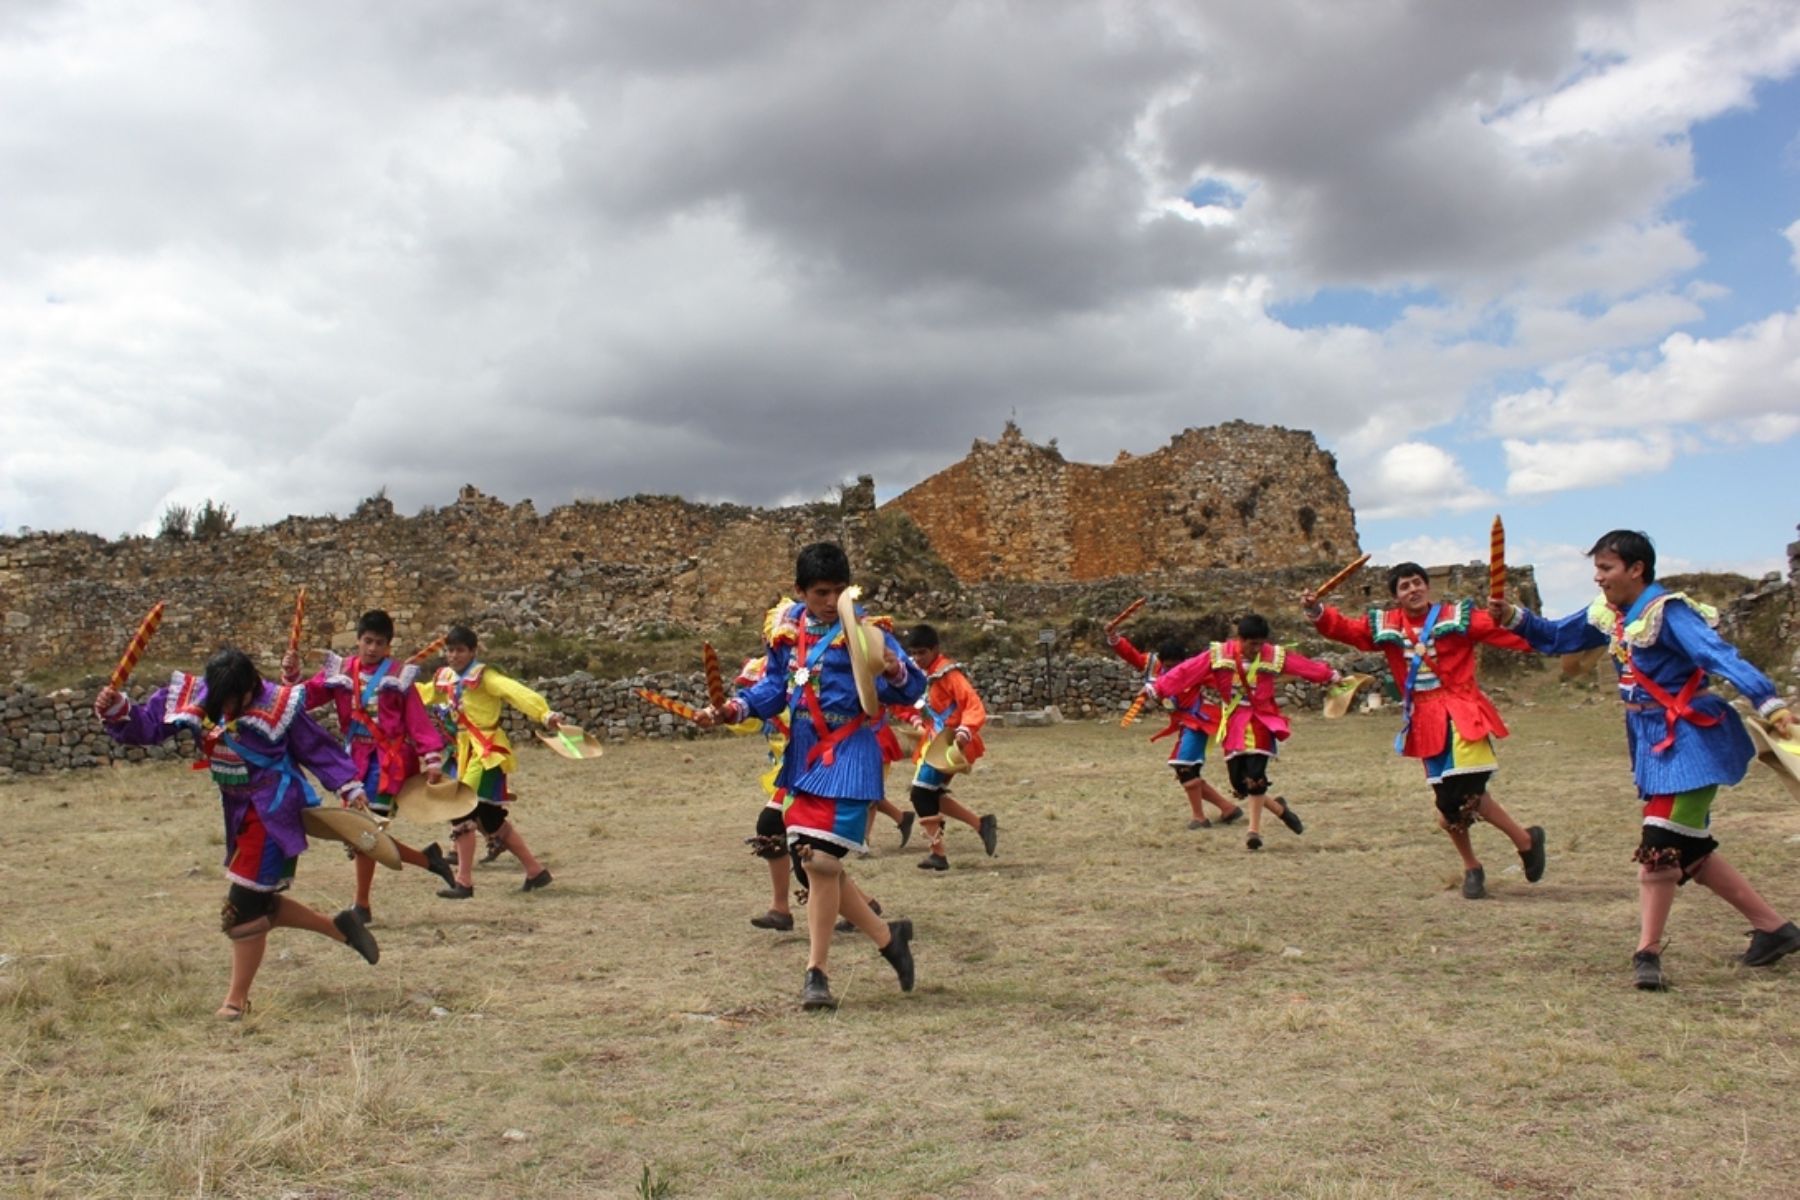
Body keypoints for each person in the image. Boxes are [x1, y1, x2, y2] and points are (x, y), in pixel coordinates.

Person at [1494, 530, 1798, 989]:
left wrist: (1767, 700)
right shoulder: (1609, 614)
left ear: (1636, 569)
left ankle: (1647, 953)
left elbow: (1716, 654)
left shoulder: (1668, 612)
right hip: (1650, 739)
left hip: (1692, 738)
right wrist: (1514, 617)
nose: (1598, 578)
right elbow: (1557, 637)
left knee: (1659, 844)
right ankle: (1776, 930)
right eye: (1596, 569)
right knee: (1690, 849)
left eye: (1606, 569)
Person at [698, 542, 926, 1011]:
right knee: (816, 862)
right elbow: (773, 689)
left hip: (849, 754)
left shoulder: (867, 632)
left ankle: (816, 974)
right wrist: (733, 709)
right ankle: (888, 939)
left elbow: (914, 687)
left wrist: (895, 669)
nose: (830, 600)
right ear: (800, 591)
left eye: (839, 591)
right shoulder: (787, 632)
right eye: (821, 592)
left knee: (819, 862)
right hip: (803, 757)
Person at [95, 648, 380, 1019]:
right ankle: (340, 928)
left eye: (234, 699)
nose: (227, 706)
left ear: (250, 688)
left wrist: (349, 787)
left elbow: (317, 749)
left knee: (240, 909)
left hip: (274, 809)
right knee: (258, 901)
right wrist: (119, 708)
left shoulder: (279, 705)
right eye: (221, 699)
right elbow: (148, 726)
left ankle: (236, 1000)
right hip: (237, 811)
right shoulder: (199, 697)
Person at [1304, 562, 1546, 898]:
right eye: (1404, 586)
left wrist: (1549, 637)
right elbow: (1348, 630)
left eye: (1417, 582)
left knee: (1468, 793)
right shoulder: (1385, 626)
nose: (1413, 590)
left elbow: (1500, 630)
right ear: (1395, 596)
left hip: (1462, 712)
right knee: (1448, 804)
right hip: (1425, 722)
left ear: (1427, 586)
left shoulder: (1457, 616)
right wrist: (1318, 611)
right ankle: (1479, 863)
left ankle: (1524, 841)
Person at [284, 609, 455, 919]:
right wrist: (292, 675)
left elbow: (417, 720)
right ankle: (428, 860)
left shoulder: (398, 676)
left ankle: (362, 906)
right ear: (358, 641)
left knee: (365, 832)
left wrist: (432, 759)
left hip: (388, 762)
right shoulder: (341, 672)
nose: (372, 648)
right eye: (367, 641)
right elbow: (304, 698)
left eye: (379, 642)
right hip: (352, 762)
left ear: (388, 645)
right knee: (361, 834)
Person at [1150, 615, 1338, 851]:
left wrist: (1329, 676)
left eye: (1261, 643)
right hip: (1234, 721)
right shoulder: (1219, 655)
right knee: (1240, 785)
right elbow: (1187, 671)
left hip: (1262, 718)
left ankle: (1253, 832)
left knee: (1256, 776)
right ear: (1240, 639)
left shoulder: (1273, 655)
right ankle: (1280, 809)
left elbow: (1302, 665)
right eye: (1252, 644)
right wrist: (1159, 687)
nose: (1257, 649)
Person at [417, 625, 563, 898]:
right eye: (450, 650)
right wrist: (392, 689)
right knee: (490, 820)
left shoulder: (485, 677)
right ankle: (535, 871)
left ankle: (464, 882)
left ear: (472, 651)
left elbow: (516, 692)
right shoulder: (445, 679)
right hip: (464, 752)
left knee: (460, 810)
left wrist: (545, 714)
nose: (454, 655)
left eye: (460, 650)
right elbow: (423, 693)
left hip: (485, 752)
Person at [1107, 631, 1240, 829]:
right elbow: (1131, 655)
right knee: (1187, 770)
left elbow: (1222, 677)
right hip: (1184, 724)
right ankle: (1227, 808)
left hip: (1199, 721)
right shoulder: (1154, 666)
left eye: (1177, 665)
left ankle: (1199, 818)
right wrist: (1115, 639)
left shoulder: (1193, 670)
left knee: (1184, 766)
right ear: (1162, 662)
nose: (1173, 670)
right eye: (1169, 666)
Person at [904, 624, 997, 871]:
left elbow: (973, 704)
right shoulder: (920, 675)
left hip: (951, 744)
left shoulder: (950, 675)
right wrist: (914, 719)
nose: (917, 658)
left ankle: (938, 853)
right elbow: (907, 702)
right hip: (935, 743)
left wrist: (965, 731)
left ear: (935, 649)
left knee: (920, 793)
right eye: (913, 653)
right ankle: (981, 825)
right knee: (931, 794)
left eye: (922, 652)